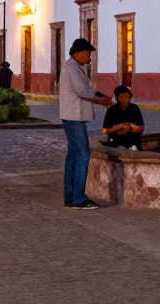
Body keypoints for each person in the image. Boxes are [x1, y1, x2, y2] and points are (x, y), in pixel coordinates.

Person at [59, 38, 112, 210]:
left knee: (73, 156)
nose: (88, 58)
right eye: (87, 54)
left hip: (74, 116)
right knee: (82, 156)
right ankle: (79, 198)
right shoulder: (71, 67)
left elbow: (85, 89)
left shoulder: (74, 68)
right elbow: (82, 91)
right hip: (74, 117)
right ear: (78, 53)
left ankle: (70, 196)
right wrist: (100, 100)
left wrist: (99, 95)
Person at [102, 85, 145, 150]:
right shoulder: (111, 110)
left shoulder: (134, 108)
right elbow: (105, 130)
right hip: (116, 143)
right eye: (121, 98)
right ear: (117, 98)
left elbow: (141, 128)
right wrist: (121, 126)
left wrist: (129, 128)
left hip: (133, 143)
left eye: (127, 97)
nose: (125, 100)